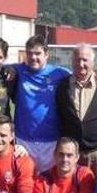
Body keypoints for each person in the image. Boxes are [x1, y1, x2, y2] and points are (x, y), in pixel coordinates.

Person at [12, 35, 71, 172]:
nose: (33, 57)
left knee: (49, 182)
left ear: (46, 55)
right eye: (30, 54)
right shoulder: (18, 70)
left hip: (52, 141)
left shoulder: (60, 73)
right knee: (25, 182)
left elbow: (81, 78)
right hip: (23, 141)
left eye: (38, 53)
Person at [56, 43, 97, 177]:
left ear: (93, 62)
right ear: (72, 61)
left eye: (85, 60)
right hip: (72, 154)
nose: (81, 64)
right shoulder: (63, 87)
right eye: (77, 60)